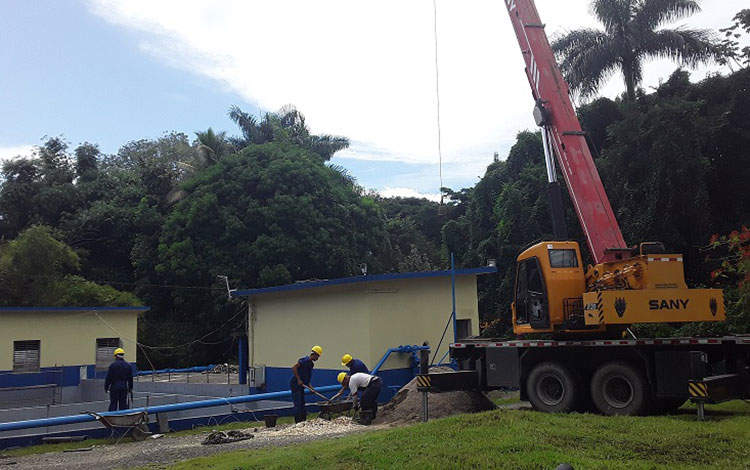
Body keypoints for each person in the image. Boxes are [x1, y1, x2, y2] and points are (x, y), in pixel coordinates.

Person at [290, 345, 322, 423]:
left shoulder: (311, 364)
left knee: (302, 402)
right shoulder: (304, 360)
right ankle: (298, 421)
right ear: (314, 354)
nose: (317, 359)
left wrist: (311, 388)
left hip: (302, 385)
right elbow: (294, 367)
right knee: (298, 403)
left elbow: (306, 379)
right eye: (317, 357)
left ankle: (303, 420)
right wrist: (298, 379)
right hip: (296, 384)